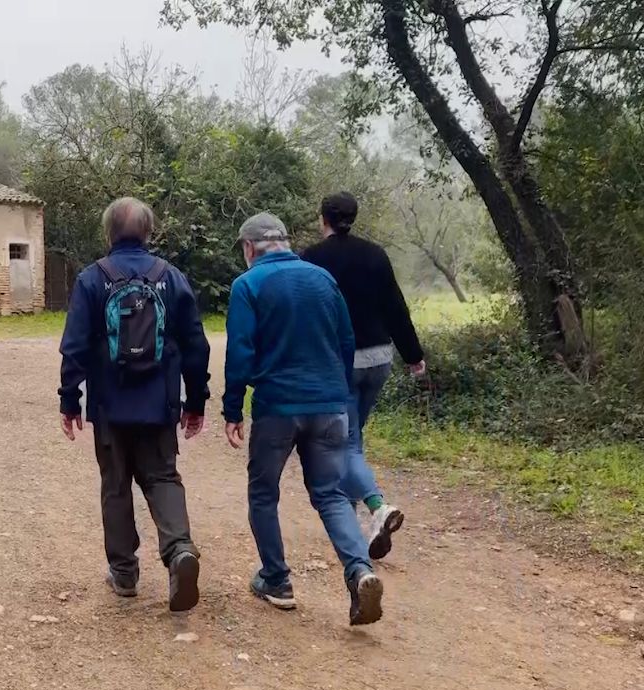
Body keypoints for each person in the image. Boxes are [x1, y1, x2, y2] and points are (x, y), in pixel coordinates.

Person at [223, 212, 384, 626]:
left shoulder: (248, 285)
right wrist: (336, 389)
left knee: (263, 493)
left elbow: (240, 352)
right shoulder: (322, 279)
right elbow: (346, 340)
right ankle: (360, 570)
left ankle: (276, 580)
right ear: (286, 242)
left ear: (248, 248)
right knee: (330, 496)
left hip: (278, 407)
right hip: (331, 405)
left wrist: (232, 407)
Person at [58, 197, 212, 612]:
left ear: (109, 233)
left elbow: (73, 347)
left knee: (116, 485)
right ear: (148, 233)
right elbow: (197, 346)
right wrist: (195, 401)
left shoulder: (93, 279)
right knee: (162, 477)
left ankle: (124, 575)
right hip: (159, 405)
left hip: (110, 407)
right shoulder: (172, 278)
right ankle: (179, 549)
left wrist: (69, 400)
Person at [301, 192, 426, 560]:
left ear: (322, 218)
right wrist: (414, 356)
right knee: (353, 438)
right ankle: (357, 517)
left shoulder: (313, 258)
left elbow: (306, 311)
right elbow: (395, 307)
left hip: (340, 363)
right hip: (379, 358)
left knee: (346, 445)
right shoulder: (375, 254)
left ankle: (378, 508)